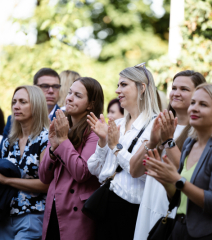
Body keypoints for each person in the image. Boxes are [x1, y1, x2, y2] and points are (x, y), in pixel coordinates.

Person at [145, 83, 212, 239]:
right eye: (193, 102)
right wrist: (166, 181)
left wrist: (177, 179)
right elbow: (180, 197)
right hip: (180, 229)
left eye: (203, 104)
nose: (194, 108)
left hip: (210, 234)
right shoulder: (190, 143)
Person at [87, 62, 162, 240]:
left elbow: (143, 174)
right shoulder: (118, 124)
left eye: (123, 84)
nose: (117, 90)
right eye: (117, 85)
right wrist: (103, 141)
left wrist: (116, 147)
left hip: (131, 209)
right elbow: (94, 168)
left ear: (142, 88)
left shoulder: (154, 125)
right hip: (106, 204)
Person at [132, 70, 206, 240]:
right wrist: (151, 141)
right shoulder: (157, 122)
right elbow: (135, 171)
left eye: (184, 89)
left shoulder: (200, 132)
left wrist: (168, 141)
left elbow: (188, 175)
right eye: (174, 88)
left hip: (172, 211)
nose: (176, 93)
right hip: (149, 204)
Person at [39, 77, 104, 240]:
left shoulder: (95, 133)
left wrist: (62, 140)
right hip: (53, 207)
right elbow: (44, 176)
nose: (69, 98)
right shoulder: (61, 125)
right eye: (69, 93)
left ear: (90, 104)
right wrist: (53, 150)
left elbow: (81, 172)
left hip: (77, 212)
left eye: (77, 95)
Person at [0, 85, 49, 240]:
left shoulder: (46, 139)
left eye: (23, 102)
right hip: (5, 213)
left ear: (36, 105)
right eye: (14, 102)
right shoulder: (9, 141)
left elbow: (45, 184)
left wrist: (7, 180)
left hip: (32, 215)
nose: (16, 106)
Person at [1, 68, 61, 149]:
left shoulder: (66, 119)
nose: (51, 91)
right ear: (34, 88)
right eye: (45, 86)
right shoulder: (12, 119)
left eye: (55, 86)